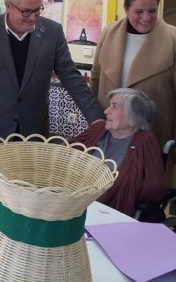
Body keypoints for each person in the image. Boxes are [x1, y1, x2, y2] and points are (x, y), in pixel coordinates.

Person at [0, 0, 103, 155]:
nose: (33, 18)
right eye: (27, 12)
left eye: (38, 11)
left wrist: (98, 121)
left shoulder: (52, 32)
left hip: (34, 133)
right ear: (8, 5)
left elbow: (72, 79)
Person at [90, 0, 176, 158]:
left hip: (154, 133)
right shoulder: (108, 33)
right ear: (126, 9)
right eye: (138, 12)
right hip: (109, 131)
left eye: (152, 11)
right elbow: (95, 81)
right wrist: (93, 122)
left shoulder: (175, 39)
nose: (146, 18)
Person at [70, 88, 164, 218]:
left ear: (134, 118)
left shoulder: (145, 141)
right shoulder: (99, 128)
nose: (106, 111)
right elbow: (68, 151)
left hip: (106, 213)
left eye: (114, 106)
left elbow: (154, 189)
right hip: (72, 201)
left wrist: (125, 187)